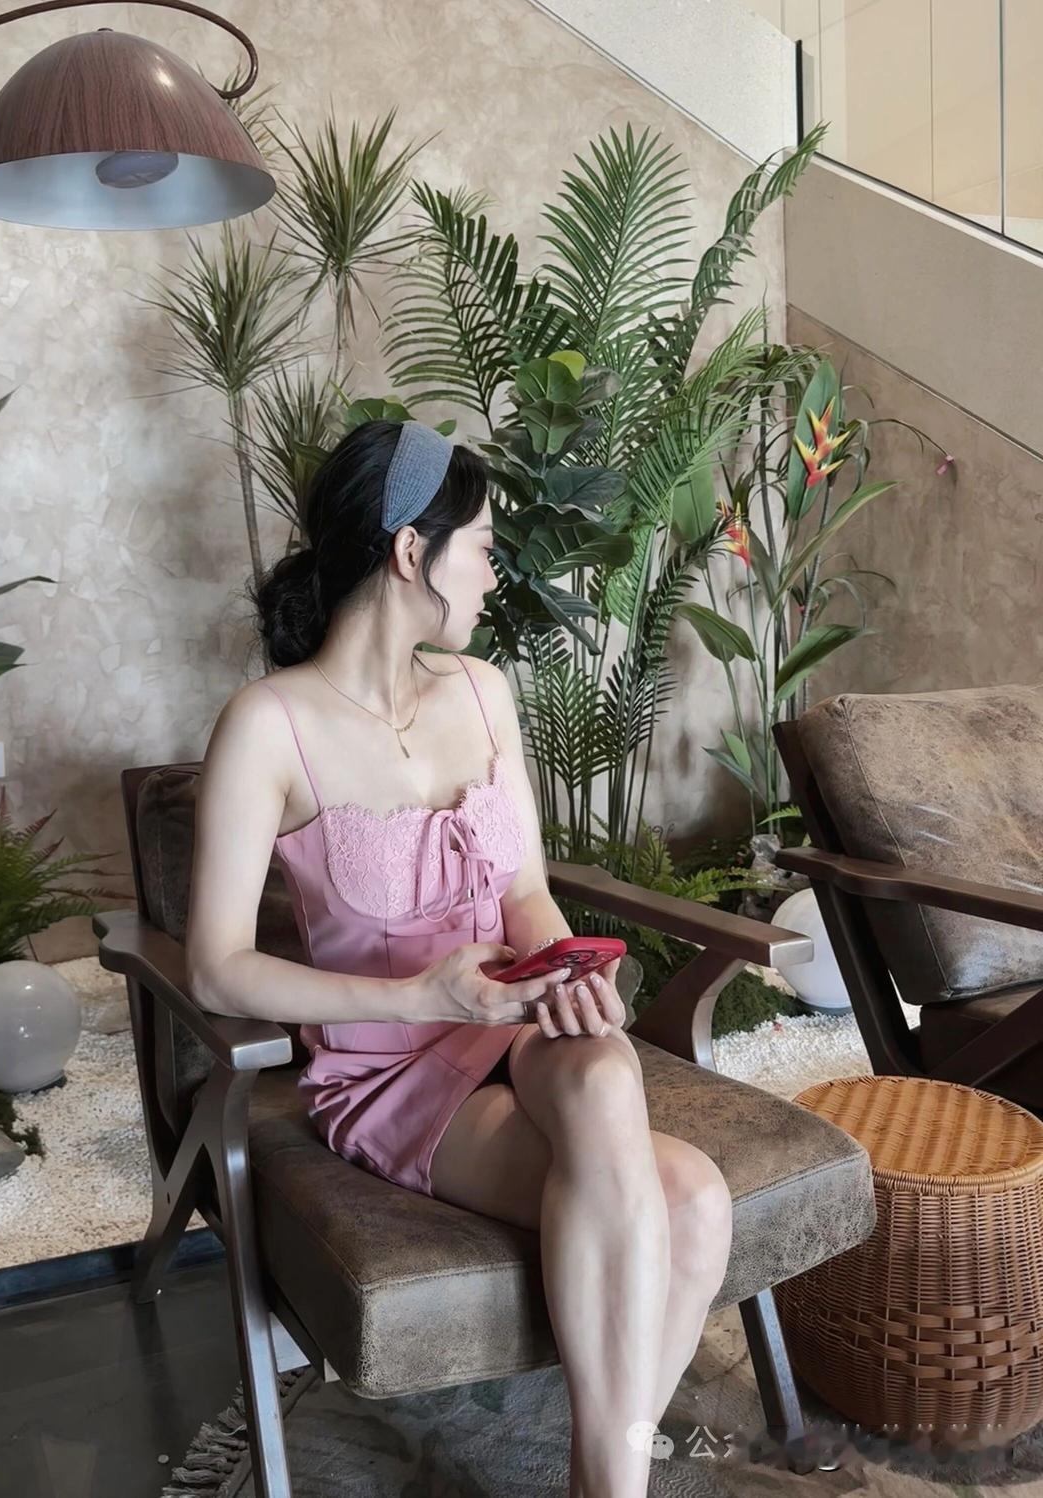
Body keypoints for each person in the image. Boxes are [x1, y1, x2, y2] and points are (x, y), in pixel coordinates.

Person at [186, 418, 733, 1498]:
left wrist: (565, 966)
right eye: (481, 545)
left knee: (608, 1072)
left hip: (509, 1025)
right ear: (409, 552)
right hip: (386, 1068)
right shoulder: (267, 726)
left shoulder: (481, 692)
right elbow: (215, 967)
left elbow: (523, 892)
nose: (493, 572)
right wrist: (417, 992)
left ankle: (602, 1485)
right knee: (695, 1203)